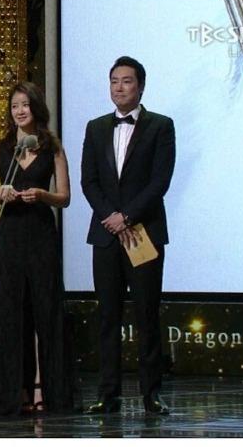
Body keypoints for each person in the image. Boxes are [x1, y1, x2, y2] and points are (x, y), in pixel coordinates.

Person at [81, 56, 175, 415]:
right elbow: (89, 181)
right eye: (114, 81)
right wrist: (111, 217)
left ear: (141, 86)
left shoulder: (160, 126)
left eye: (126, 81)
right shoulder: (95, 127)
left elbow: (160, 181)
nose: (119, 88)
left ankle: (151, 394)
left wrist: (128, 217)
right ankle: (108, 393)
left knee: (146, 314)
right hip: (106, 235)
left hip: (143, 232)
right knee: (108, 316)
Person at [0, 81, 75, 415]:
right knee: (10, 311)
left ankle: (46, 388)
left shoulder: (53, 146)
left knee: (45, 310)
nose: (20, 111)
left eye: (25, 105)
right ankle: (13, 391)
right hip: (10, 234)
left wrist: (43, 195)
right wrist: (1, 192)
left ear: (36, 107)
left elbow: (65, 197)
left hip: (40, 233)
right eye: (14, 106)